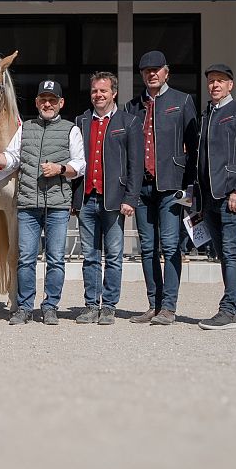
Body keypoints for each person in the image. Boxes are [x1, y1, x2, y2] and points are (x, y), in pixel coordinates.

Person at [0, 79, 86, 325]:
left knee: (55, 258)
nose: (47, 104)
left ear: (61, 103)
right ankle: (24, 307)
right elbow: (12, 159)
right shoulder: (25, 129)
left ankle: (51, 306)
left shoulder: (71, 129)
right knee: (26, 258)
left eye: (52, 100)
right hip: (28, 205)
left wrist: (60, 168)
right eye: (43, 99)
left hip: (57, 205)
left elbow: (80, 164)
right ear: (36, 102)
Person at [124, 50, 197, 326]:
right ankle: (153, 304)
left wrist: (189, 187)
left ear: (166, 72)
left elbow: (194, 147)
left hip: (170, 187)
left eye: (156, 70)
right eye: (146, 71)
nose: (151, 74)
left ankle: (169, 307)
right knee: (147, 248)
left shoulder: (182, 101)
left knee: (169, 245)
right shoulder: (133, 107)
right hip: (142, 188)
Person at [192, 64, 236, 331]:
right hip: (209, 198)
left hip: (233, 196)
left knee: (232, 253)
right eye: (211, 81)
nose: (215, 85)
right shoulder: (207, 114)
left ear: (231, 84)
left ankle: (229, 309)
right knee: (223, 254)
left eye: (220, 80)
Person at [73, 71, 143, 325]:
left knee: (113, 255)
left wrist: (131, 198)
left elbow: (135, 165)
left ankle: (109, 306)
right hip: (86, 199)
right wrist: (73, 199)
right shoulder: (80, 122)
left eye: (103, 91)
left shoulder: (129, 122)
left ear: (114, 93)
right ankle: (91, 304)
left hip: (113, 200)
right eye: (94, 91)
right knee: (90, 255)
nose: (98, 95)